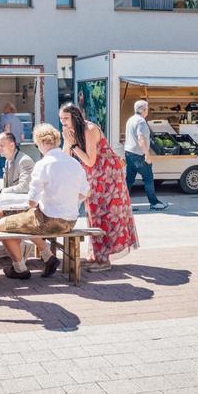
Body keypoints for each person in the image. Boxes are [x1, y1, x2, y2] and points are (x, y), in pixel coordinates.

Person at [0, 124, 88, 280]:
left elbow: (32, 202)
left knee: (0, 225)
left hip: (48, 221)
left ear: (39, 143)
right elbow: (85, 193)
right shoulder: (74, 163)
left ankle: (20, 268)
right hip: (71, 221)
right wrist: (67, 201)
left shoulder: (42, 164)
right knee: (24, 221)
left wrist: (44, 202)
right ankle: (48, 257)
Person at [60, 103, 138, 271]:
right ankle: (96, 254)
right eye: (61, 119)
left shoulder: (89, 129)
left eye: (66, 118)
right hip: (93, 176)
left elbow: (90, 160)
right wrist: (67, 143)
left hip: (107, 175)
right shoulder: (71, 131)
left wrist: (73, 145)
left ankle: (103, 260)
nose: (63, 122)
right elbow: (65, 157)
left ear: (75, 117)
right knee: (92, 213)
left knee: (103, 215)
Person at [123, 100, 167, 211]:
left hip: (129, 153)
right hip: (139, 155)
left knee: (129, 180)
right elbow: (141, 139)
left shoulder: (130, 120)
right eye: (147, 109)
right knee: (148, 178)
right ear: (143, 110)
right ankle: (154, 203)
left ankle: (124, 204)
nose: (147, 111)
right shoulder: (141, 122)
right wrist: (147, 155)